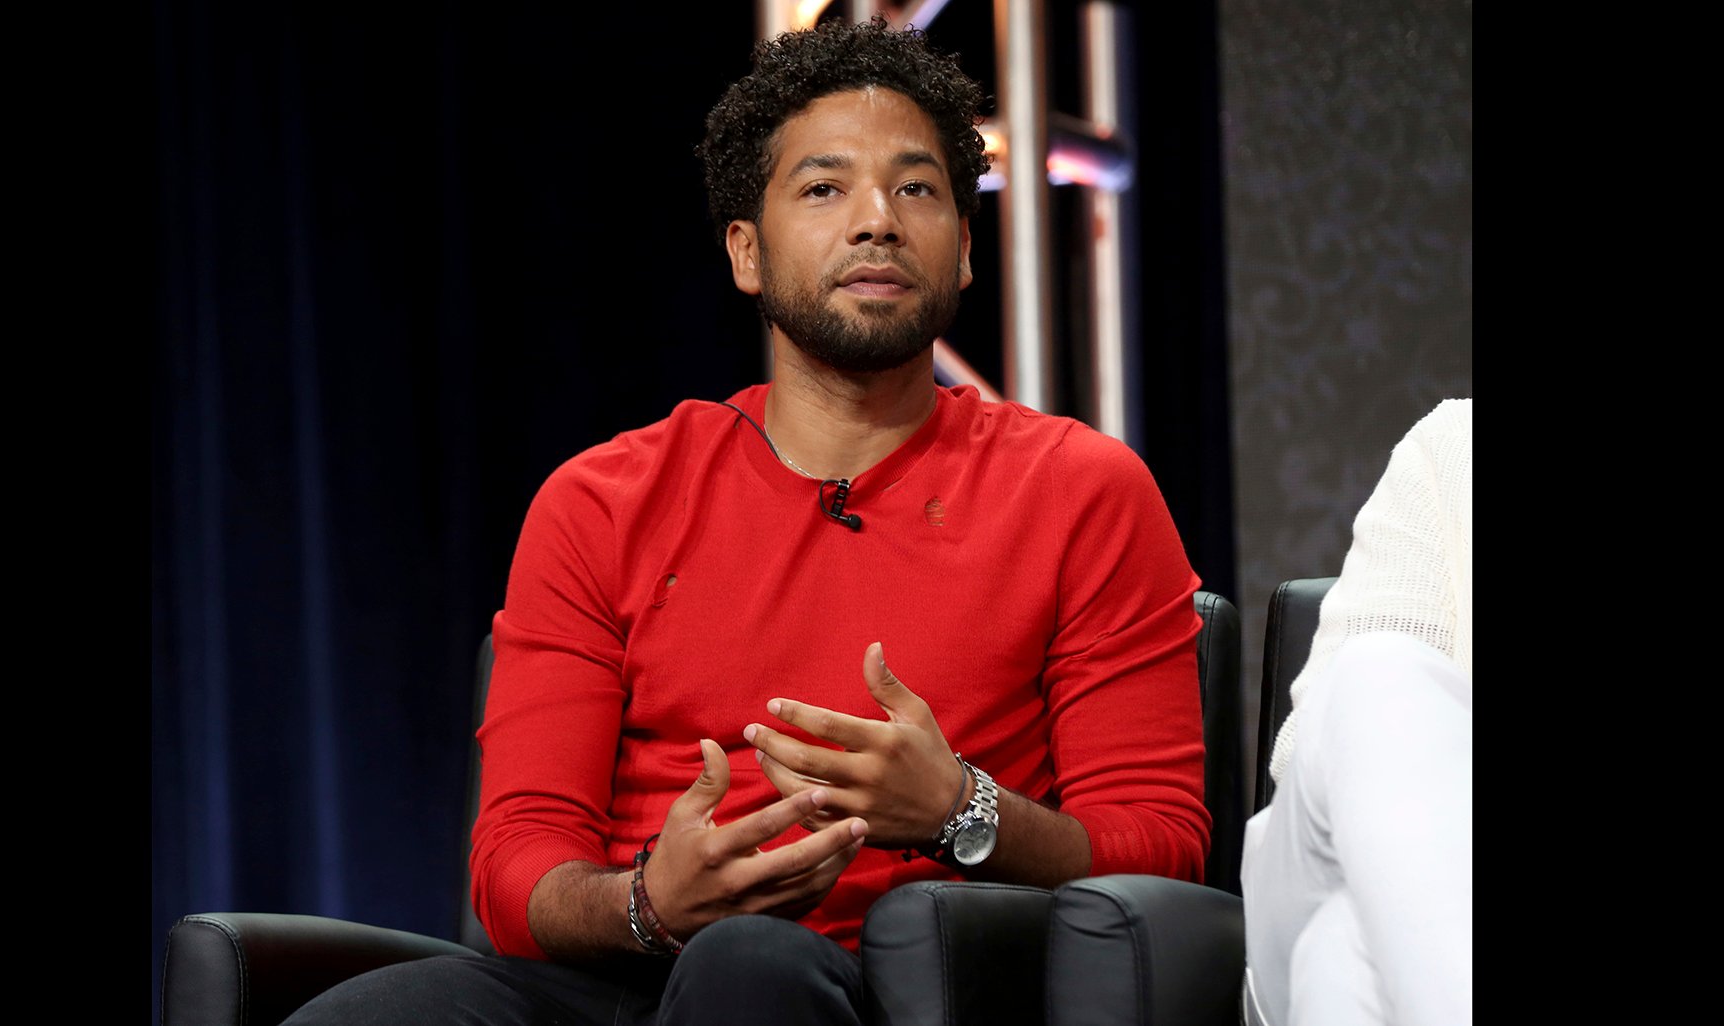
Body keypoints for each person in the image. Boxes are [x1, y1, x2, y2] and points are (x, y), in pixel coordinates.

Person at [286, 17, 1209, 1025]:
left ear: (965, 250)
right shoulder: (602, 502)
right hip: (632, 974)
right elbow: (518, 864)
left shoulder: (1082, 489)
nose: (878, 222)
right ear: (746, 253)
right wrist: (650, 902)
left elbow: (1162, 847)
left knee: (752, 969)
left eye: (918, 189)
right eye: (824, 189)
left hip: (919, 989)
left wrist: (960, 812)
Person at [1241, 398, 1472, 1026]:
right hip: (1330, 863)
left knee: (1341, 950)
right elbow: (1317, 745)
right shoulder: (1456, 446)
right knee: (1376, 670)